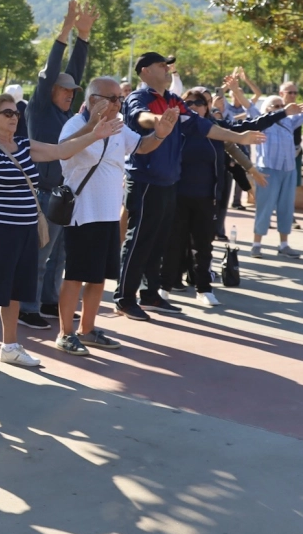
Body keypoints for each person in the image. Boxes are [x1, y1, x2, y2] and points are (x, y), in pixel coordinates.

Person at [0, 92, 122, 370]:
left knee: (15, 291)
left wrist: (95, 135)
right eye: (7, 113)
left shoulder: (24, 145)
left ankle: (10, 346)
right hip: (1, 231)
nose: (14, 117)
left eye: (16, 113)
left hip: (27, 229)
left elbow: (61, 151)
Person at [117, 53, 265, 322]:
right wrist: (159, 121)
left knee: (158, 242)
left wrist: (238, 137)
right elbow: (141, 118)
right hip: (145, 180)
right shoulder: (139, 97)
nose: (167, 68)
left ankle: (150, 294)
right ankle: (125, 299)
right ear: (145, 71)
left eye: (167, 65)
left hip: (168, 181)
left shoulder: (174, 101)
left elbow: (204, 126)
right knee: (139, 240)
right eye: (161, 65)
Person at [53, 78, 161, 355]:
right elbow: (62, 149)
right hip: (82, 213)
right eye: (112, 99)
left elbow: (142, 145)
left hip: (108, 214)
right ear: (92, 100)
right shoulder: (75, 125)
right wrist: (92, 128)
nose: (117, 104)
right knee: (75, 276)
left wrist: (161, 133)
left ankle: (87, 330)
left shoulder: (119, 125)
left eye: (119, 99)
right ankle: (65, 333)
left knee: (98, 277)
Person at [161, 88, 277, 307]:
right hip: (177, 196)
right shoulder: (175, 129)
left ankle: (204, 289)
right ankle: (165, 287)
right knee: (173, 244)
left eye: (199, 103)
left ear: (207, 107)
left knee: (203, 246)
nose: (194, 106)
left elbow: (235, 148)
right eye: (189, 103)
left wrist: (252, 172)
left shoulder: (216, 130)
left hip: (206, 197)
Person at [20, 0, 95, 327]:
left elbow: (74, 71)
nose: (70, 94)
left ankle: (49, 301)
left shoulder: (67, 115)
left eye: (73, 91)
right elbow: (53, 70)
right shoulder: (39, 108)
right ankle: (27, 308)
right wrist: (65, 31)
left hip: (65, 193)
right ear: (50, 90)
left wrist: (84, 37)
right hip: (42, 192)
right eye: (64, 90)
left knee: (59, 255)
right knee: (40, 253)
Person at [250, 81, 303, 257]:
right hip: (268, 170)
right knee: (265, 207)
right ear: (266, 109)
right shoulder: (261, 122)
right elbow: (248, 106)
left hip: (288, 170)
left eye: (282, 106)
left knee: (286, 207)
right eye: (276, 106)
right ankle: (256, 245)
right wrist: (235, 89)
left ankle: (284, 245)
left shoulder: (290, 122)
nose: (280, 108)